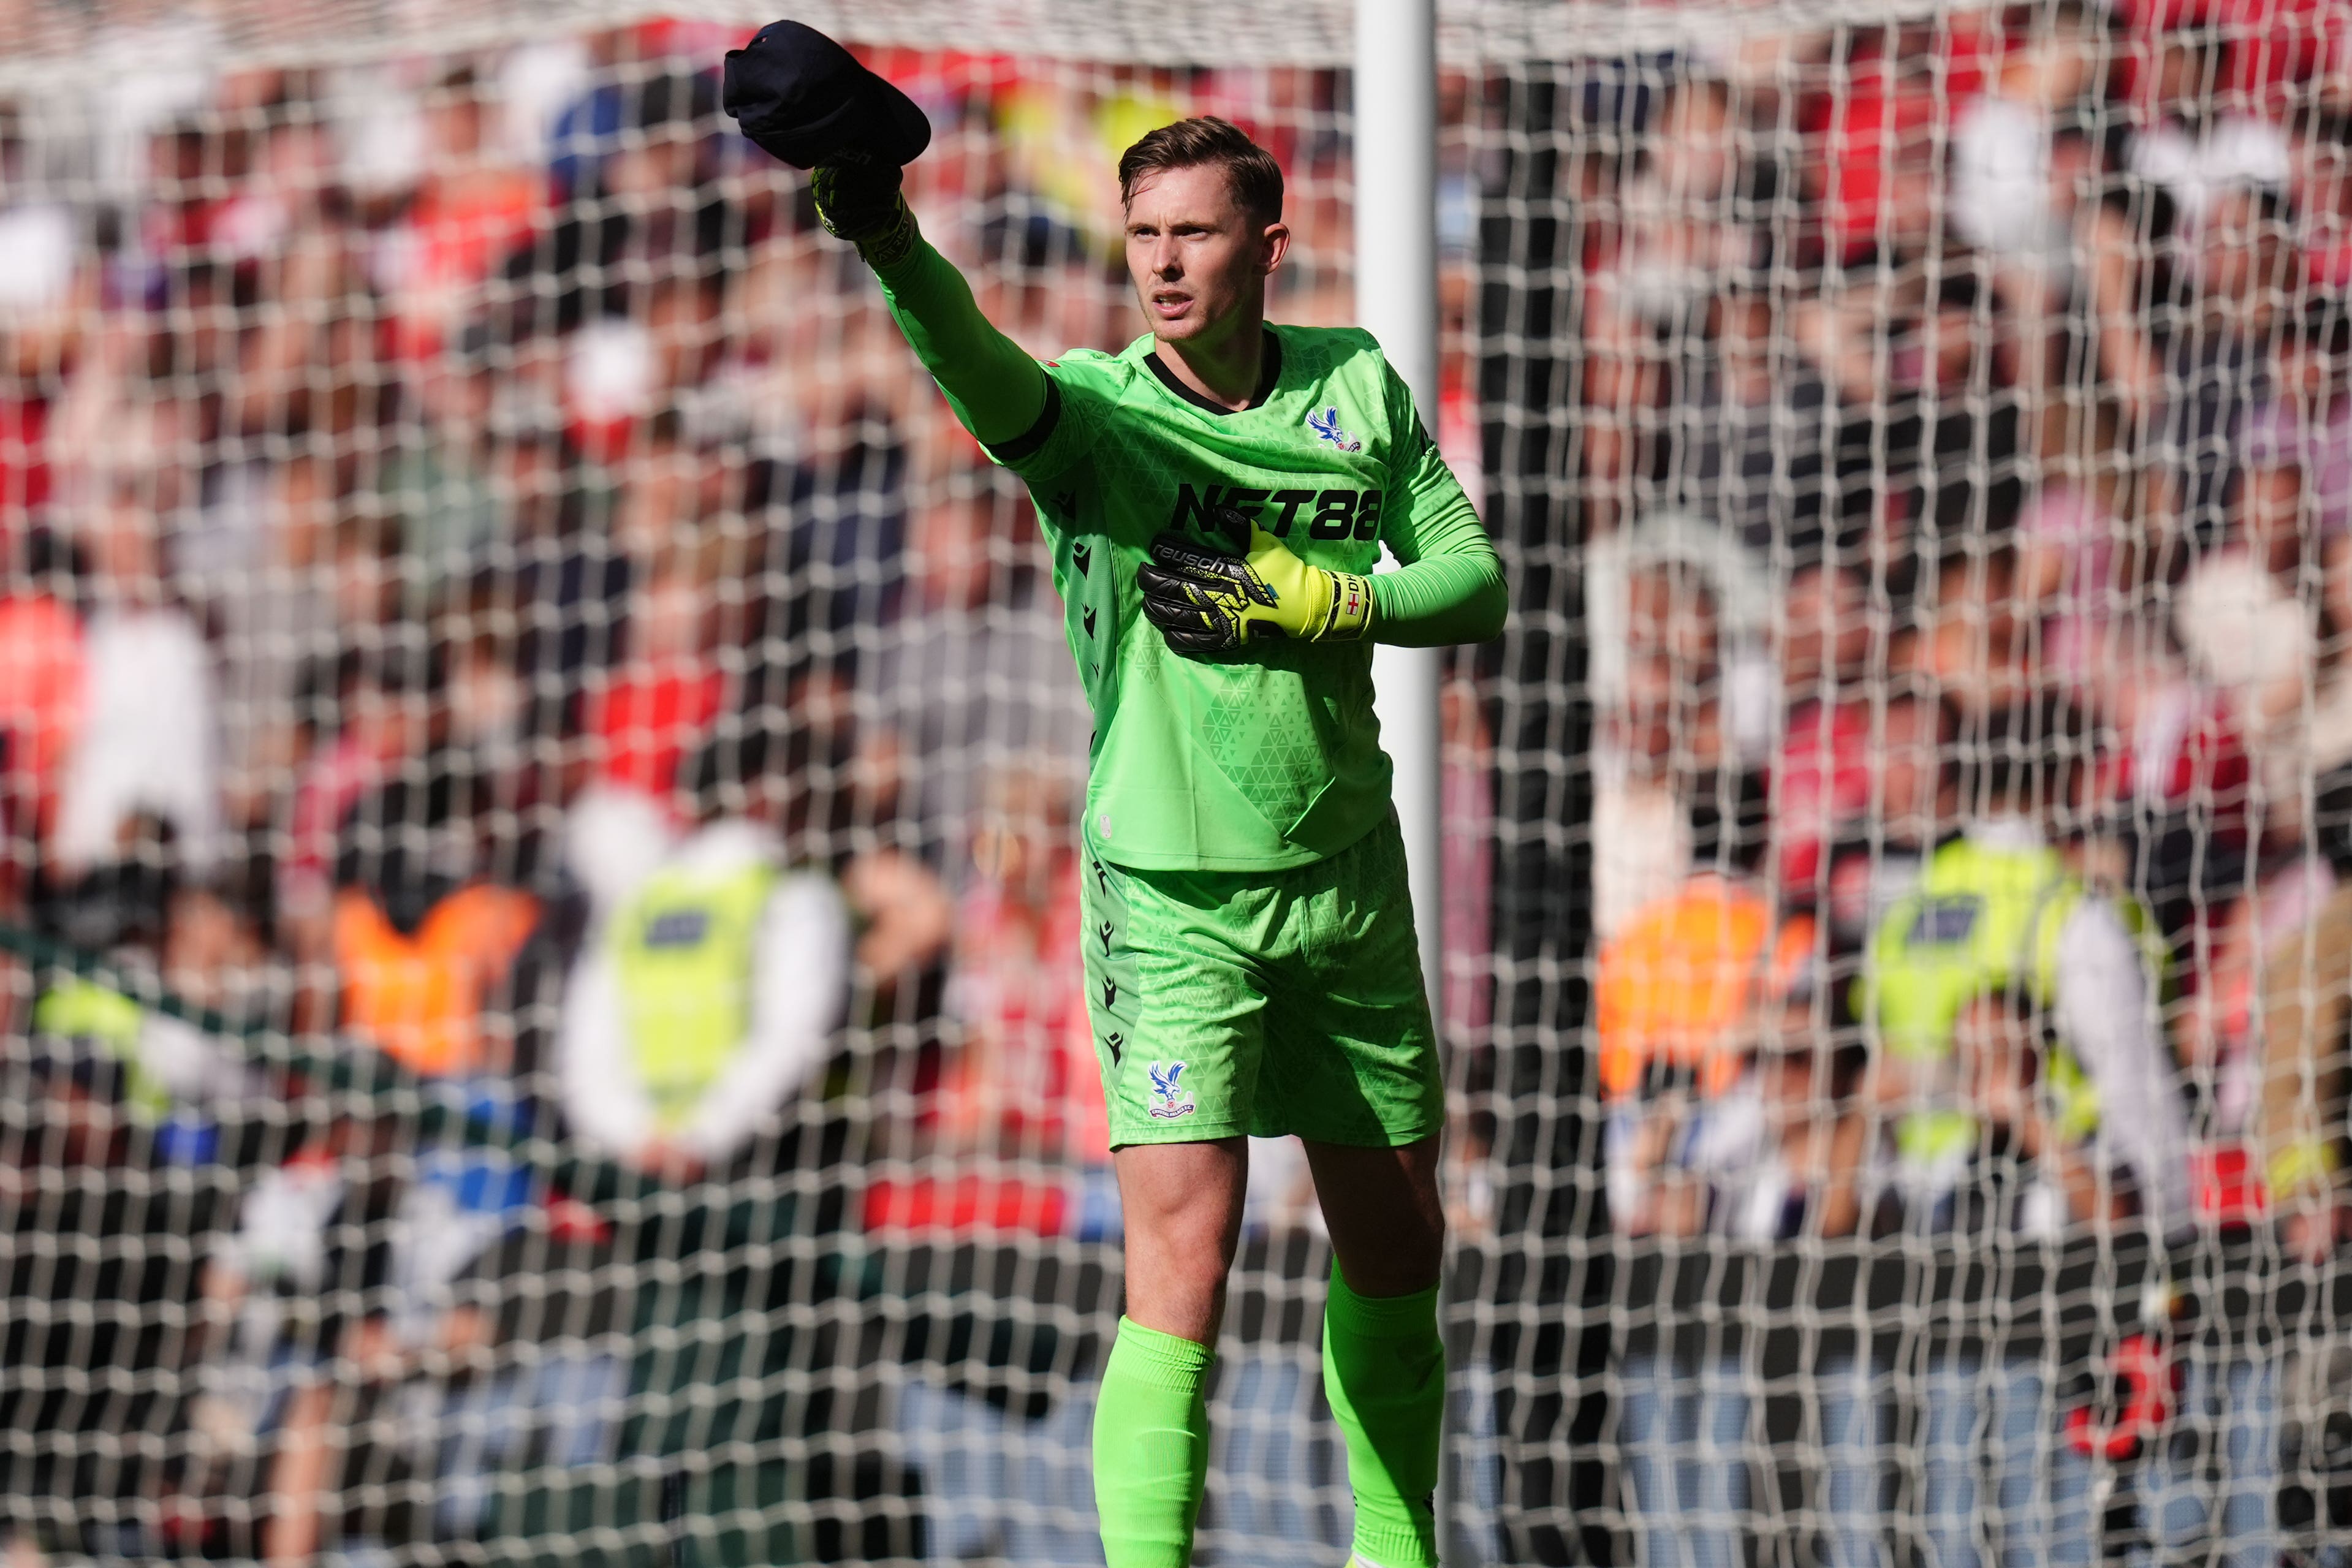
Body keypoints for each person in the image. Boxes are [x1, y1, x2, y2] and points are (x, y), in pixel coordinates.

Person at [745, 40, 1507, 1562]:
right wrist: (891, 236)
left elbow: (1470, 580)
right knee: (1183, 1256)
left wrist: (1310, 599)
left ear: (1266, 247)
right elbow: (980, 365)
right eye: (1142, 234)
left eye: (1195, 232)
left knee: (1395, 1248)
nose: (1161, 263)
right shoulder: (1098, 418)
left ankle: (1393, 1548)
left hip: (1345, 876)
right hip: (1170, 899)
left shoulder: (1354, 382)